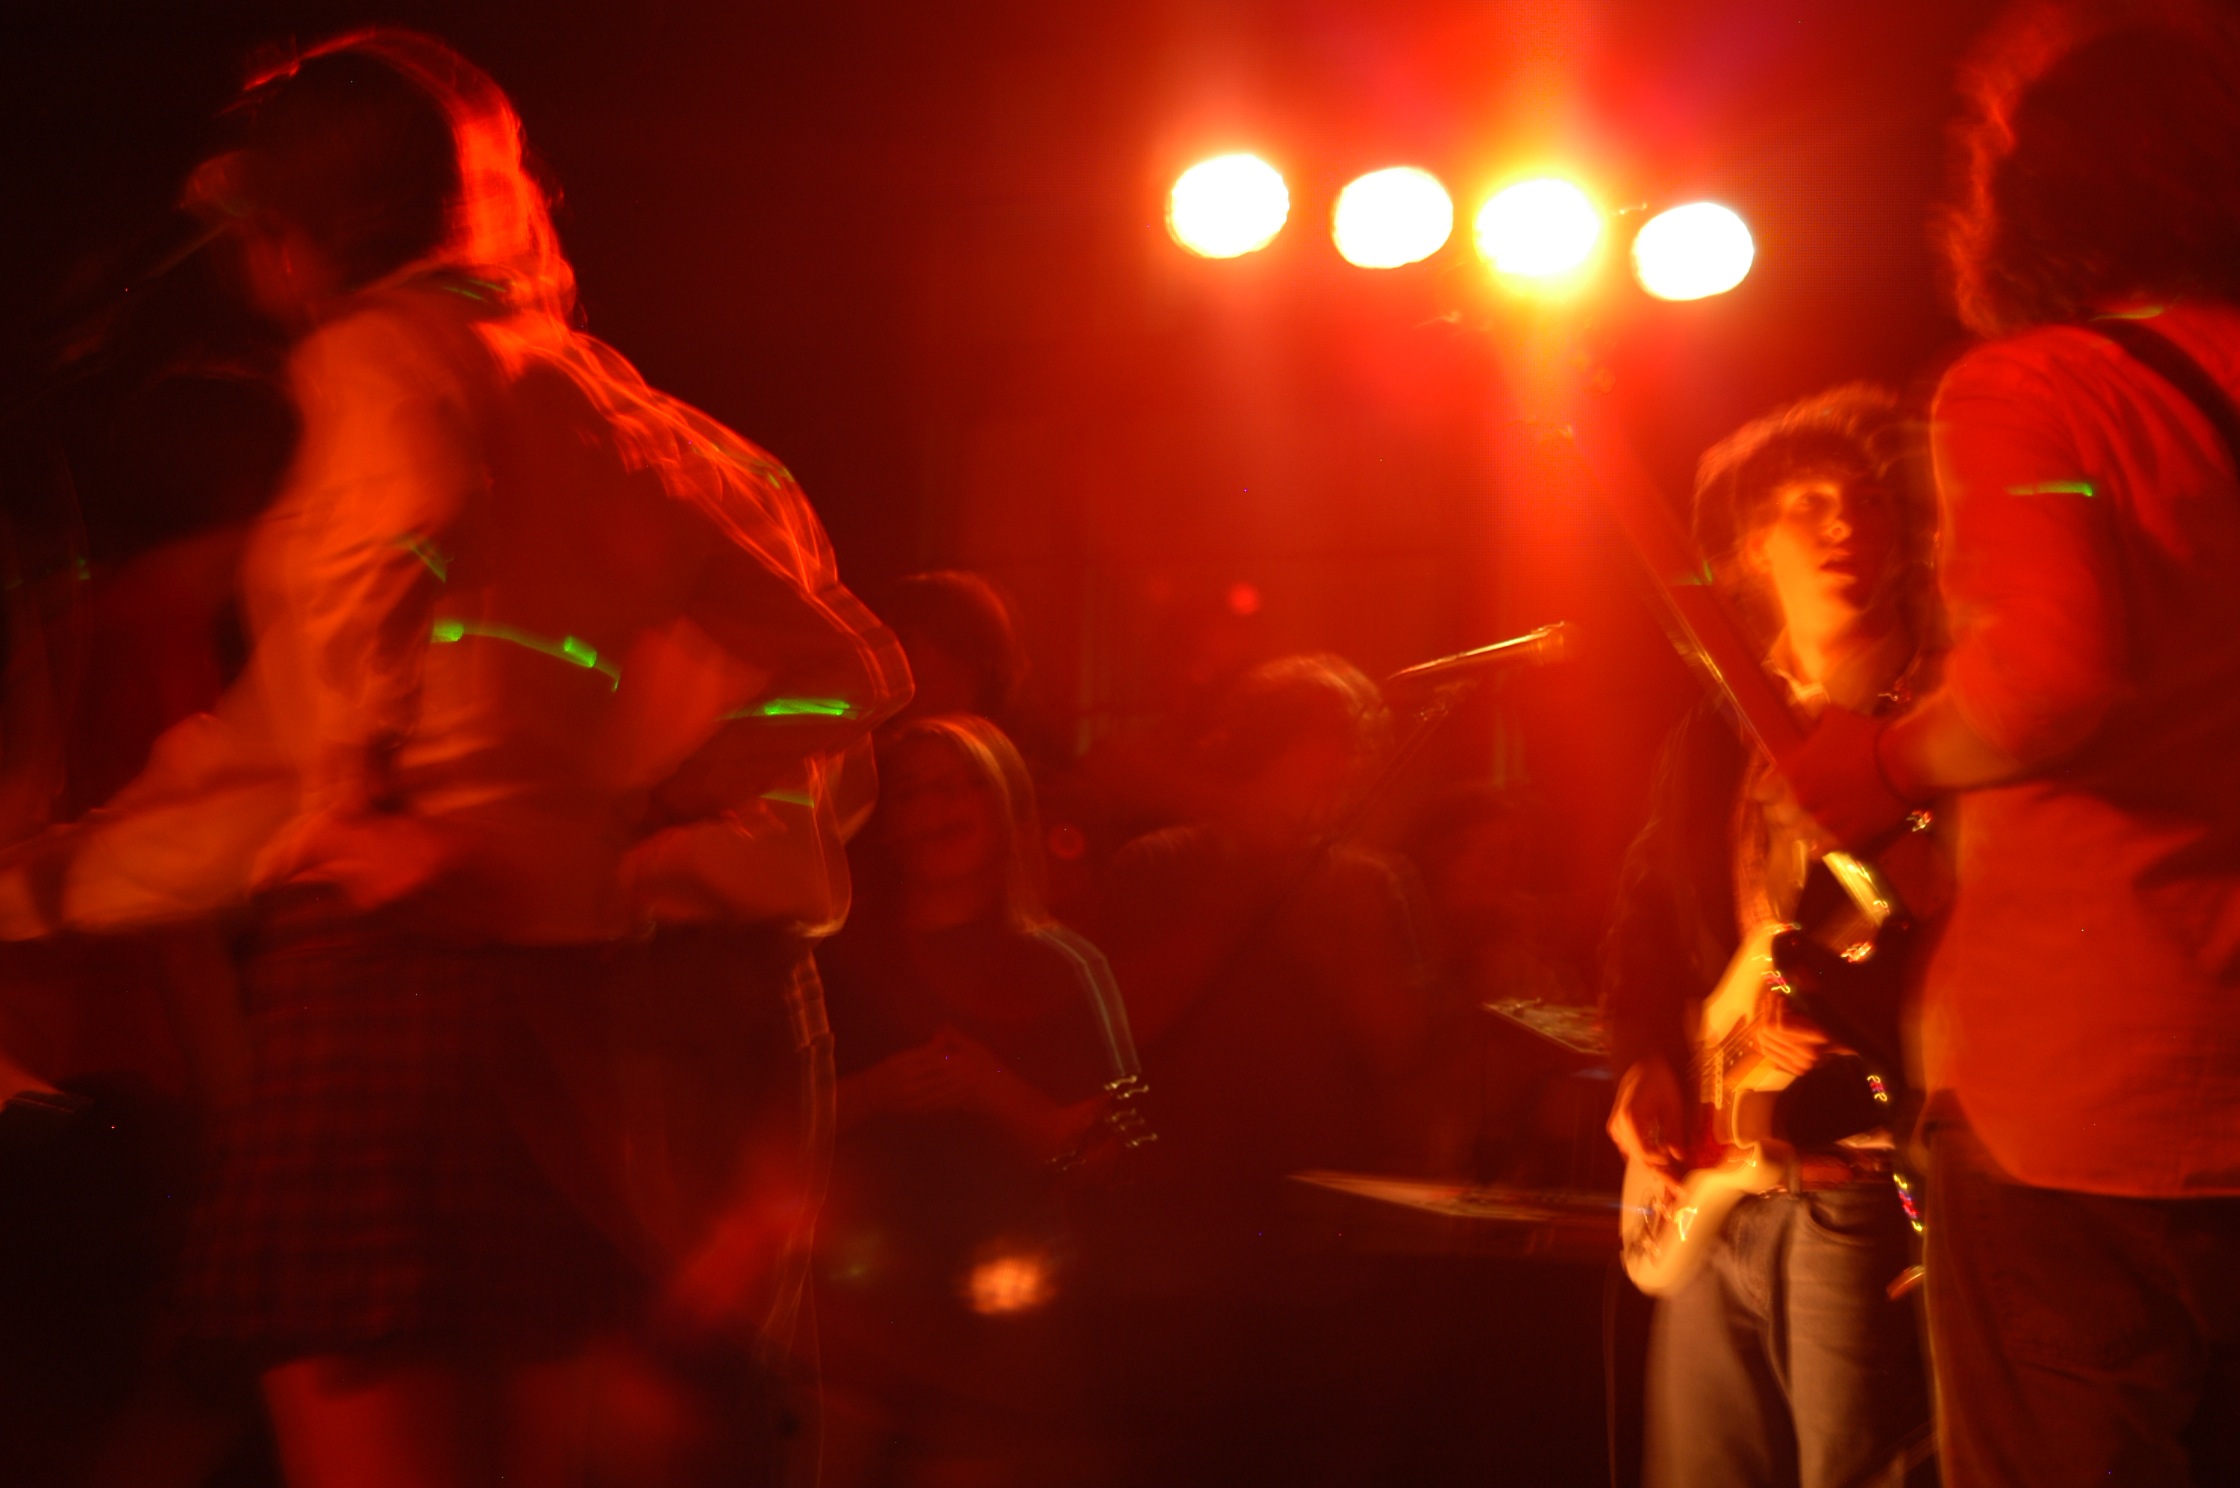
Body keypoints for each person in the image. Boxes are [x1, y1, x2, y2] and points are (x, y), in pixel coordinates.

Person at [0, 31, 907, 1487]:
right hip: (591, 994)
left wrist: (360, 793)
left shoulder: (384, 357)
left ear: (284, 236)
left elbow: (318, 702)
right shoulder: (621, 410)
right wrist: (630, 837)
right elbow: (847, 672)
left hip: (397, 982)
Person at [1780, 7, 2240, 1481]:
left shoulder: (2039, 385)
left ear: (2050, 178)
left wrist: (1881, 766)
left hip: (2084, 1097)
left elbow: (2050, 676)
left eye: (1984, 142)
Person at [1601, 385, 1934, 1488]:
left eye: (1866, 501)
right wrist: (1644, 1059)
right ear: (1750, 546)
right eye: (1807, 503)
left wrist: (1862, 1028)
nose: (1844, 524)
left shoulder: (1934, 724)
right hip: (1712, 1188)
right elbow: (1645, 924)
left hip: (1856, 1189)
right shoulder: (1709, 735)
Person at [814, 714, 1140, 1488]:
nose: (935, 809)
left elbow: (1114, 1157)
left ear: (1003, 805)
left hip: (1002, 1315)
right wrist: (874, 1092)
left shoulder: (1067, 966)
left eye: (959, 787)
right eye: (912, 792)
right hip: (852, 1306)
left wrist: (994, 1088)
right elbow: (769, 1125)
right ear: (886, 821)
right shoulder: (834, 954)